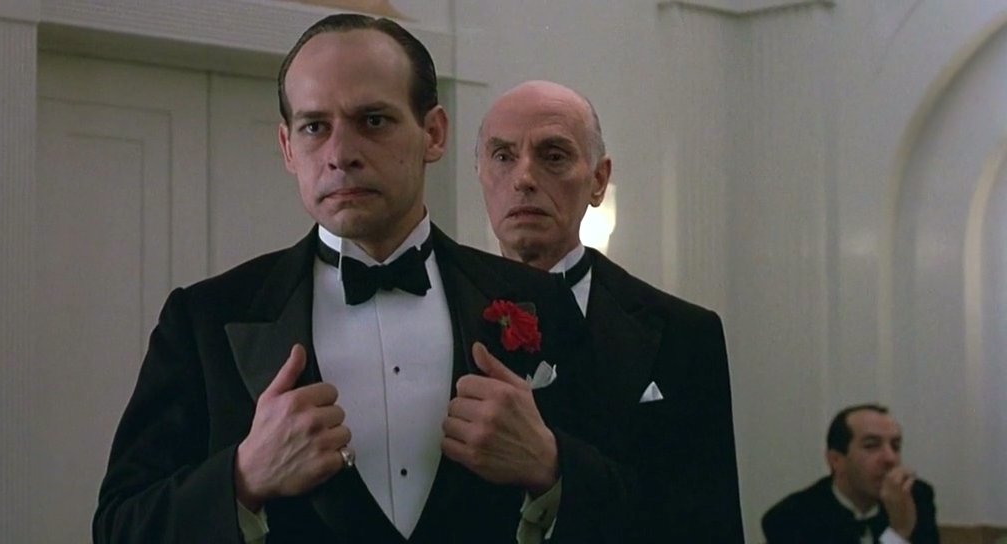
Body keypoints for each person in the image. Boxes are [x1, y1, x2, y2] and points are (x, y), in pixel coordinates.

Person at [93, 15, 602, 543]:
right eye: (315, 127)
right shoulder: (205, 319)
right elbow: (119, 527)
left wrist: (551, 467)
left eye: (373, 120)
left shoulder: (541, 302)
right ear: (288, 148)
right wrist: (243, 478)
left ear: (433, 134)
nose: (340, 155)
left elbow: (638, 506)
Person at [475, 80, 744, 541]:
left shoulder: (684, 333)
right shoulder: (440, 313)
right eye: (503, 156)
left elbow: (709, 524)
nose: (523, 178)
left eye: (553, 156)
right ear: (480, 173)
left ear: (598, 180)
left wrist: (557, 469)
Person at [761, 404, 939, 543]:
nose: (890, 458)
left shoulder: (915, 497)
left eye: (895, 446)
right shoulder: (790, 518)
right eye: (871, 445)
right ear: (836, 460)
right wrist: (897, 533)